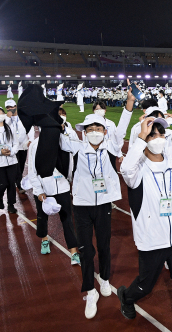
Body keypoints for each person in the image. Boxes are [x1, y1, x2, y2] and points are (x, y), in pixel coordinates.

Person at [116, 117, 172, 332]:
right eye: (152, 135)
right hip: (152, 241)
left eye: (161, 134)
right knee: (146, 284)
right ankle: (127, 296)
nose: (158, 139)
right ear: (142, 140)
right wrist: (142, 136)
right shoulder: (137, 171)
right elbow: (125, 168)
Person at [58, 88, 135, 319]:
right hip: (81, 205)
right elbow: (58, 136)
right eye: (89, 129)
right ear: (82, 132)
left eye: (97, 129)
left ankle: (105, 278)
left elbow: (121, 130)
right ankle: (90, 291)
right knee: (85, 248)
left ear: (104, 131)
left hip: (103, 205)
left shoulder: (110, 147)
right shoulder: (76, 147)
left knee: (104, 244)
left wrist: (129, 104)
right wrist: (55, 120)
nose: (93, 132)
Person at [27, 127, 79, 263]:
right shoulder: (35, 145)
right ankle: (44, 239)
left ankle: (74, 251)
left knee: (67, 219)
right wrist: (38, 190)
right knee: (42, 217)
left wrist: (68, 181)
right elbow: (32, 170)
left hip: (62, 187)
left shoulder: (63, 142)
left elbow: (71, 162)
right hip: (43, 189)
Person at [4, 99, 32, 194]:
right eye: (8, 108)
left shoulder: (23, 118)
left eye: (12, 107)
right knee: (16, 167)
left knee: (21, 165)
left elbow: (30, 128)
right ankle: (19, 184)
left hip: (23, 146)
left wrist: (30, 140)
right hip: (12, 147)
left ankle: (17, 181)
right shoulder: (5, 119)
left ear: (16, 106)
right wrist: (8, 118)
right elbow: (2, 129)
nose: (10, 109)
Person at [91, 101, 123, 173]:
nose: (99, 111)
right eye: (97, 109)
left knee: (112, 171)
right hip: (96, 152)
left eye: (101, 109)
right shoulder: (89, 125)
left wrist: (120, 154)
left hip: (110, 151)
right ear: (93, 111)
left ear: (105, 110)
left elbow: (116, 140)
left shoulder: (111, 124)